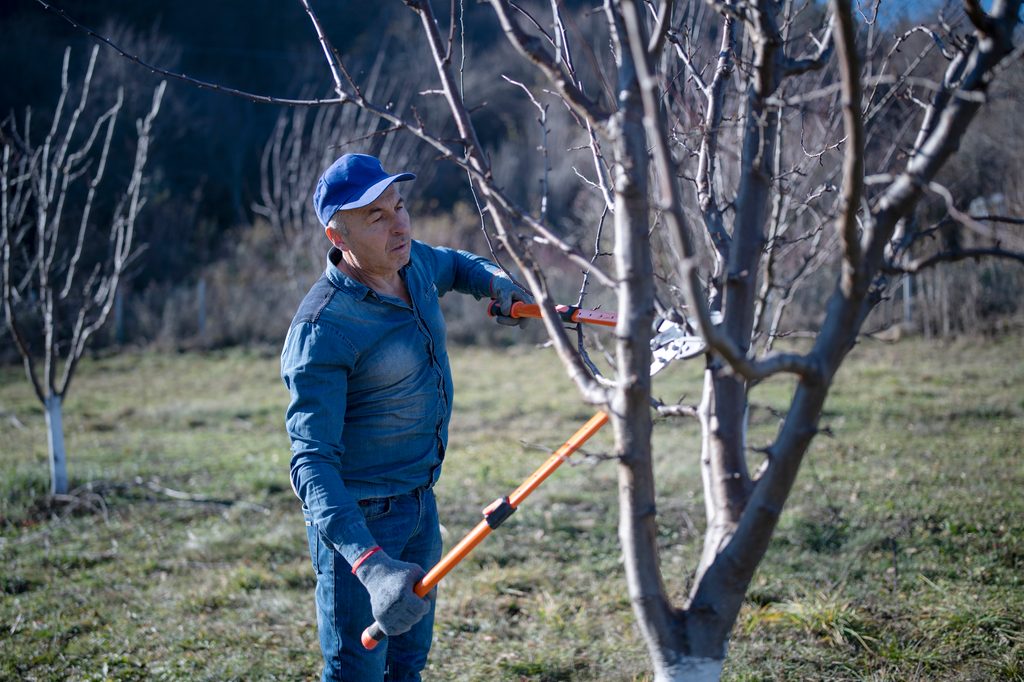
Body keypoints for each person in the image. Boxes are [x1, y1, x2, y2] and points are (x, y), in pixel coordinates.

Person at [280, 153, 531, 681]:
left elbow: (460, 264)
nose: (400, 224)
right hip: (362, 527)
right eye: (376, 216)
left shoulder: (411, 264)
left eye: (399, 206)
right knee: (358, 672)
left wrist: (496, 284)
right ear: (337, 234)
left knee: (409, 667)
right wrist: (370, 566)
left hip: (421, 505)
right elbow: (310, 464)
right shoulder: (323, 330)